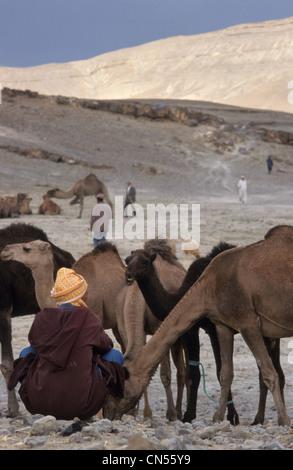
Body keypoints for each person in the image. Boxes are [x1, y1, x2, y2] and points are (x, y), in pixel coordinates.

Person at [8, 268, 124, 420]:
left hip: (39, 405)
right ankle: (106, 410)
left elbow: (35, 346)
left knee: (26, 352)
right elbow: (106, 346)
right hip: (83, 405)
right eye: (85, 292)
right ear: (79, 295)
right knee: (115, 355)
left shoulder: (41, 317)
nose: (87, 295)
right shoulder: (87, 317)